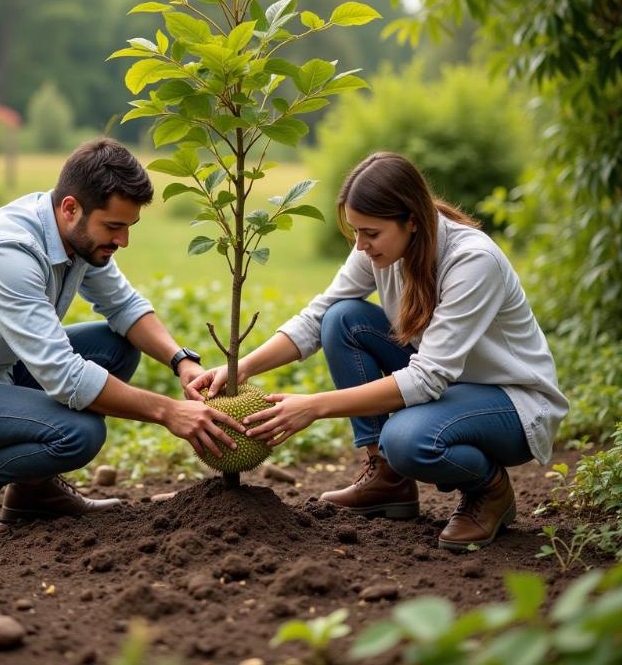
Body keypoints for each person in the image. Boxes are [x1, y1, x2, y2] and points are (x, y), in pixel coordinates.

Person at [188, 152, 568, 550]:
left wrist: (314, 405)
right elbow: (318, 317)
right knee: (342, 318)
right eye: (355, 231)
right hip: (449, 385)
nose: (360, 245)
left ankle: (489, 491)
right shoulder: (383, 248)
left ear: (412, 220)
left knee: (405, 440)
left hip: (511, 403)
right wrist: (242, 368)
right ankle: (388, 480)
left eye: (370, 233)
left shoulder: (473, 261)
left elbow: (427, 376)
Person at [0, 138, 244, 536]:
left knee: (115, 347)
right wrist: (167, 412)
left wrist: (181, 361)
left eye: (128, 227)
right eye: (114, 226)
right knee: (79, 434)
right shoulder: (8, 252)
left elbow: (123, 307)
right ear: (71, 207)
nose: (123, 241)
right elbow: (63, 376)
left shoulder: (78, 237)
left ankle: (33, 492)